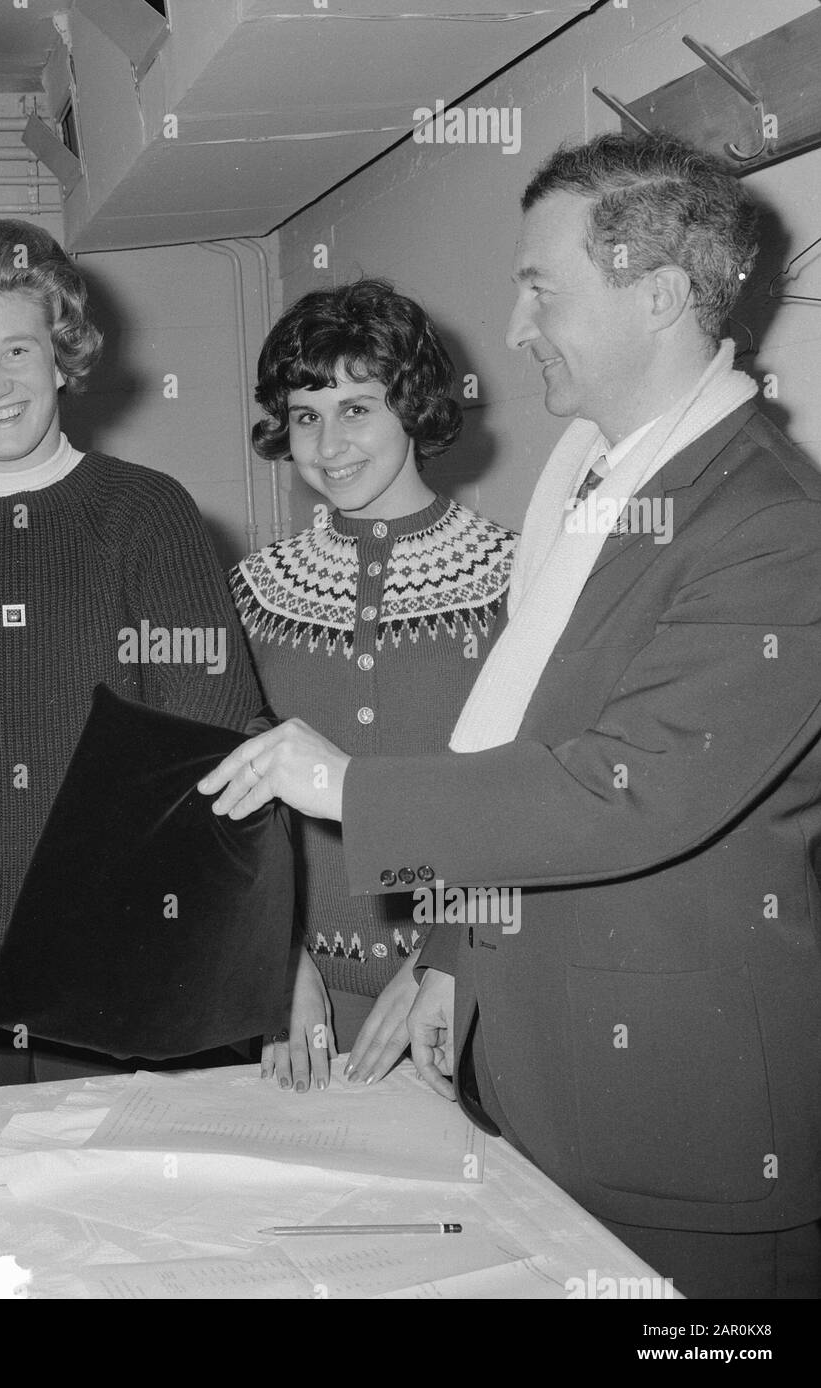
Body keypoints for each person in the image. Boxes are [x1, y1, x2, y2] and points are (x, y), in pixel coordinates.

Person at [199, 132, 821, 1299]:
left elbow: (619, 789)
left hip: (678, 1121)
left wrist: (342, 785)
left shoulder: (774, 527)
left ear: (661, 295)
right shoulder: (597, 481)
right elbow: (519, 750)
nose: (518, 322)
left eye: (542, 286)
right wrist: (448, 961)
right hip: (540, 1077)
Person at [0, 218, 262, 1090]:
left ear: (63, 355)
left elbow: (209, 748)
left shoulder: (145, 513)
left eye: (18, 349)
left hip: (125, 947)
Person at [230, 279, 514, 1093]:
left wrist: (444, 957)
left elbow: (529, 796)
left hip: (473, 980)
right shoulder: (250, 591)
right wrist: (277, 965)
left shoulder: (517, 578)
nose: (327, 443)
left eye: (357, 408)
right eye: (307, 415)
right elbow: (234, 810)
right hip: (304, 1004)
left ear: (414, 409)